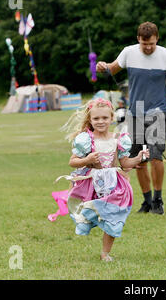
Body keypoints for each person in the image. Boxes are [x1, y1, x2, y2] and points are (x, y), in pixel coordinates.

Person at [96, 21, 166, 215]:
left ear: (157, 39)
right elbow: (111, 69)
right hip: (135, 113)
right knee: (139, 160)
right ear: (138, 40)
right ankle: (146, 201)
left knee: (155, 157)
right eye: (145, 44)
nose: (148, 47)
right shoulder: (128, 53)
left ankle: (158, 200)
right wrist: (101, 66)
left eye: (151, 43)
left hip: (158, 111)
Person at [57, 98, 149, 261]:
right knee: (87, 217)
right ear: (90, 120)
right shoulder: (86, 139)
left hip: (114, 184)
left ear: (111, 118)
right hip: (92, 183)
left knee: (114, 218)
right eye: (96, 118)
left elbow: (125, 164)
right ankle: (85, 218)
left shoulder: (118, 139)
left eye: (105, 118)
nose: (100, 122)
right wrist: (87, 160)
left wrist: (138, 158)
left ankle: (105, 253)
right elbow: (72, 161)